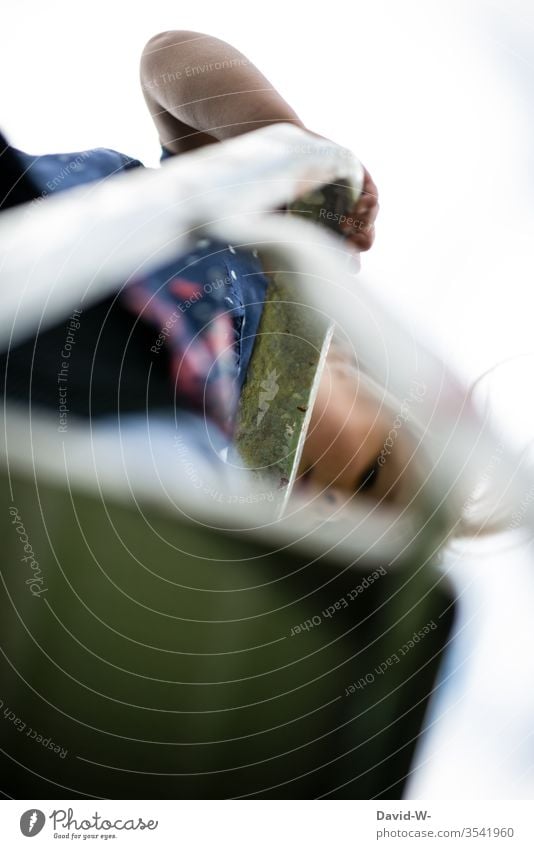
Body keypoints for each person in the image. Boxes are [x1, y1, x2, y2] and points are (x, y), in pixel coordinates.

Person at [2, 30, 405, 510]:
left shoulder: (205, 456)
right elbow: (170, 62)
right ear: (347, 365)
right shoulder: (268, 256)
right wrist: (280, 137)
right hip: (41, 221)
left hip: (68, 417)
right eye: (367, 479)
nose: (331, 505)